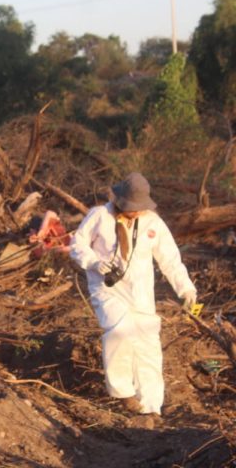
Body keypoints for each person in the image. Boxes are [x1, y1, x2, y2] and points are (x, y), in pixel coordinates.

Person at [70, 172, 197, 418]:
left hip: (141, 293)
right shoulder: (99, 216)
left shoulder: (153, 223)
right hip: (107, 289)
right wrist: (94, 262)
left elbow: (170, 259)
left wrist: (187, 288)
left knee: (148, 346)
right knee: (119, 330)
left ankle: (151, 407)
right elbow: (77, 245)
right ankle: (123, 391)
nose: (136, 212)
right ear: (119, 201)